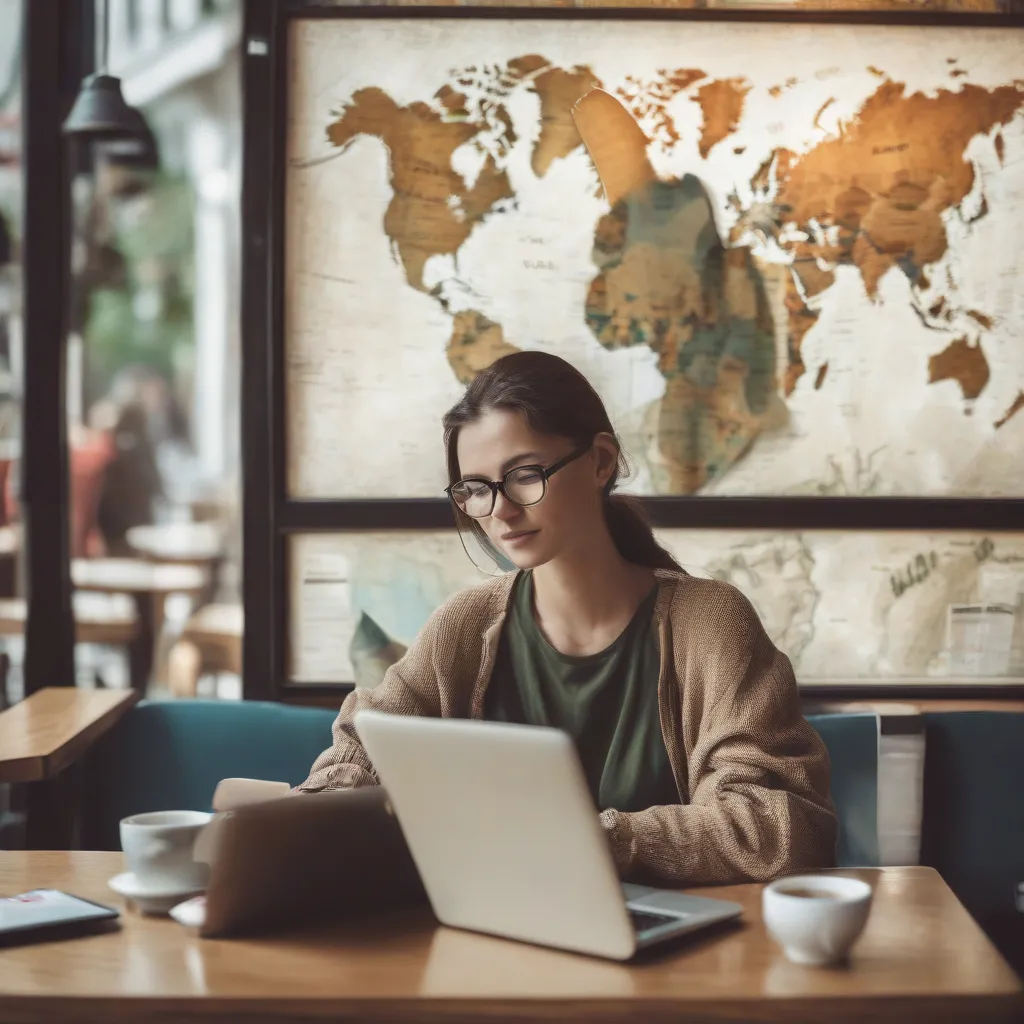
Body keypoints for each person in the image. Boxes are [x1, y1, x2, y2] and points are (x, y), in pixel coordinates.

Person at [298, 351, 837, 886]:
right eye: (477, 489)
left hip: (674, 949)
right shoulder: (465, 625)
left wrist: (584, 841)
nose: (502, 510)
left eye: (525, 475)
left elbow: (780, 826)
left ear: (601, 461)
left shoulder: (709, 624)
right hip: (501, 932)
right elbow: (362, 745)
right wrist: (314, 818)